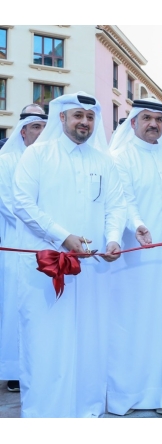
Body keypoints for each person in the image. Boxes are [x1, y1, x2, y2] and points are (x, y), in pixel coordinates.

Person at [12, 92, 126, 417]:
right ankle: (45, 416)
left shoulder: (104, 161)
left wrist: (114, 238)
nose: (85, 123)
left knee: (89, 338)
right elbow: (22, 203)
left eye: (90, 118)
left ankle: (86, 412)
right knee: (45, 340)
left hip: (92, 271)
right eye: (78, 116)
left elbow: (116, 204)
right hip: (46, 268)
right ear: (61, 118)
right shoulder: (38, 155)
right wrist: (63, 237)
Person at [107, 99, 162, 416]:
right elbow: (123, 200)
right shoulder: (119, 157)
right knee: (133, 321)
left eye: (158, 119)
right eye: (147, 118)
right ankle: (128, 393)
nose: (154, 124)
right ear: (133, 122)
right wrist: (138, 225)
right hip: (134, 256)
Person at [0, 106, 47, 393]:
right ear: (23, 132)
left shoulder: (45, 160)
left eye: (44, 127)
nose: (40, 133)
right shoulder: (7, 161)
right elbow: (9, 205)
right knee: (16, 301)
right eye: (35, 128)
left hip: (49, 243)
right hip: (17, 242)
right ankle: (15, 369)